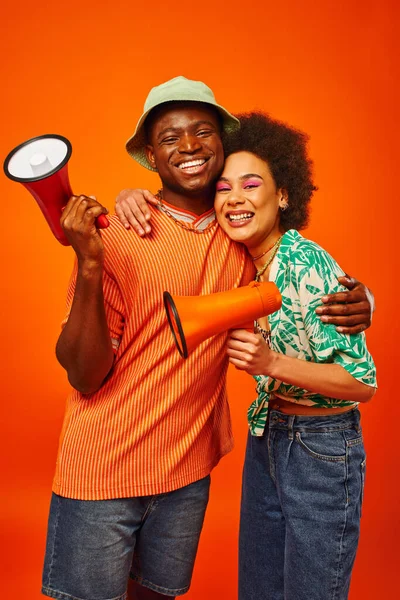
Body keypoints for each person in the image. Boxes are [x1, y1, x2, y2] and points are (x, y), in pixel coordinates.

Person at [42, 77, 374, 600]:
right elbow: (83, 374)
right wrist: (89, 259)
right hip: (102, 469)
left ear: (221, 142)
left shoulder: (237, 234)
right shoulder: (121, 229)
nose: (190, 147)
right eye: (170, 138)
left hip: (186, 473)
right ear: (150, 156)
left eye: (202, 132)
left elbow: (297, 265)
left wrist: (364, 301)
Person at [213, 112, 375, 600]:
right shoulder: (243, 262)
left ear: (283, 195)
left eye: (251, 184)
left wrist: (271, 364)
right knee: (258, 589)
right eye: (223, 188)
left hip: (321, 449)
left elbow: (362, 383)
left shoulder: (307, 264)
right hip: (268, 437)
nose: (236, 199)